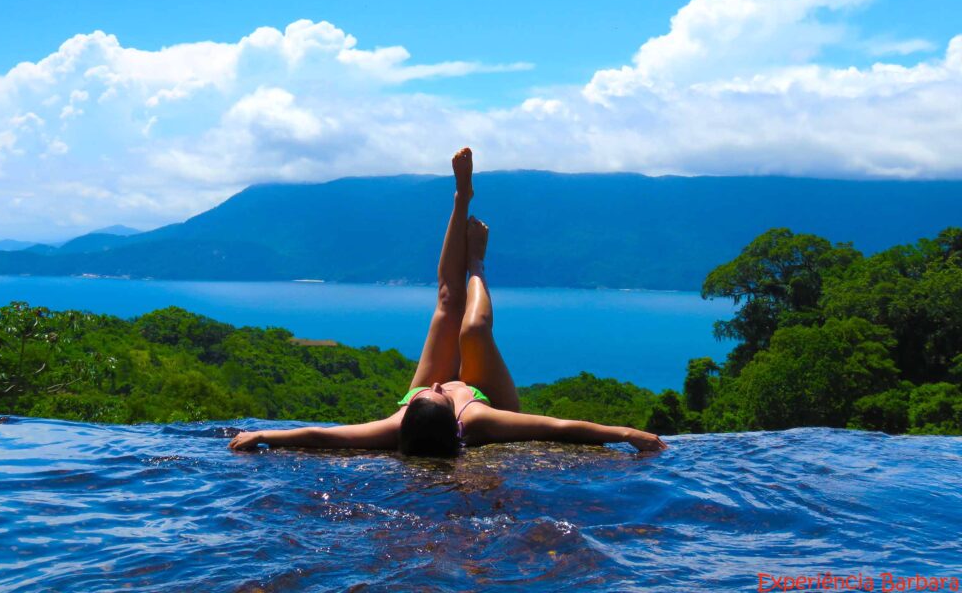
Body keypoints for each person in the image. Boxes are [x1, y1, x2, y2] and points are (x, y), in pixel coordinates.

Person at [229, 148, 667, 456]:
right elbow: (560, 428)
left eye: (427, 393)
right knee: (473, 330)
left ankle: (461, 199)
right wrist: (628, 433)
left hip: (435, 412)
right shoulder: (477, 422)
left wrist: (266, 434)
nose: (440, 385)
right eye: (439, 394)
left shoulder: (401, 423)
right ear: (453, 420)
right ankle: (478, 263)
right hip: (487, 396)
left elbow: (326, 437)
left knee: (445, 299)